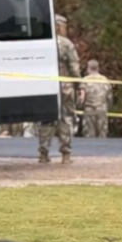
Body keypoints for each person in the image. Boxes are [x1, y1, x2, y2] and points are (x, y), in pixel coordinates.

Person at [37, 14, 81, 164]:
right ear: (58, 26)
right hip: (64, 85)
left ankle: (43, 153)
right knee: (66, 118)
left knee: (46, 119)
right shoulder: (65, 44)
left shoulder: (41, 42)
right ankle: (65, 153)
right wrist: (78, 84)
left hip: (45, 85)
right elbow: (74, 67)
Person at [81, 59, 113, 139]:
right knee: (102, 134)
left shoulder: (85, 80)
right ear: (98, 68)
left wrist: (80, 106)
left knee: (89, 135)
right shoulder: (105, 80)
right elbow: (109, 97)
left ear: (88, 68)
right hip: (102, 109)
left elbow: (81, 97)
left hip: (89, 110)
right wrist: (108, 107)